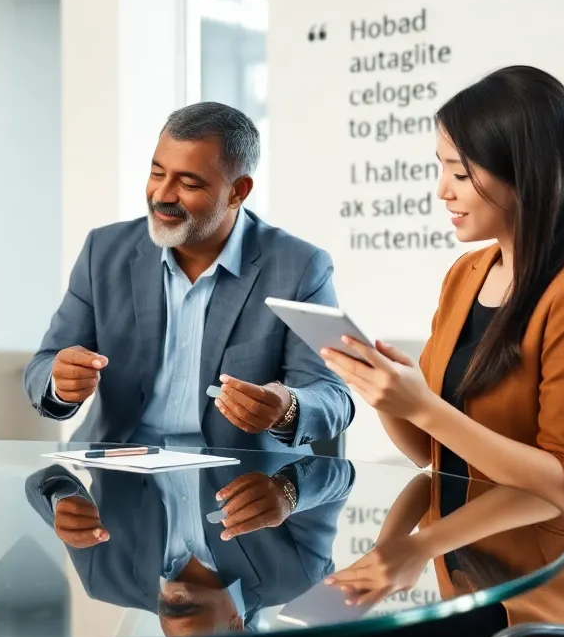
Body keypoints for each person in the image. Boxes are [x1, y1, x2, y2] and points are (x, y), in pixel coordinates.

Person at [261, 66, 564, 637]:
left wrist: (417, 542)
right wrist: (385, 394)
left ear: (529, 174)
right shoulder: (468, 274)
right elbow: (436, 456)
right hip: (472, 583)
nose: (442, 190)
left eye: (460, 172)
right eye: (441, 166)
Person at [24, 102, 354, 452]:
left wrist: (287, 407)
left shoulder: (299, 266)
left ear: (237, 192)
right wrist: (60, 382)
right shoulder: (104, 251)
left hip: (239, 483)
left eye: (188, 183)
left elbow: (332, 395)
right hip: (116, 472)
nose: (162, 196)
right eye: (157, 173)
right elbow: (44, 363)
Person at [24, 446, 355, 637]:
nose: (181, 636)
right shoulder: (295, 575)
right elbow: (339, 472)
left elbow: (43, 480)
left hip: (130, 405)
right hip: (235, 397)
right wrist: (287, 490)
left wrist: (63, 499)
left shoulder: (108, 578)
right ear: (235, 624)